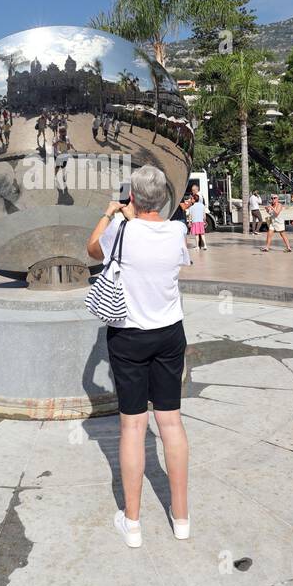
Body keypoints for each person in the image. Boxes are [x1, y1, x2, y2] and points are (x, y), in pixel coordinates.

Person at [86, 165, 191, 549]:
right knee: (171, 424)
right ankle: (181, 518)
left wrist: (111, 213)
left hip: (129, 335)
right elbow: (159, 243)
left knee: (133, 427)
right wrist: (135, 216)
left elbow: (92, 249)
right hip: (169, 333)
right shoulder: (178, 231)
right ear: (163, 198)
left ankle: (132, 523)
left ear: (132, 196)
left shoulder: (121, 231)